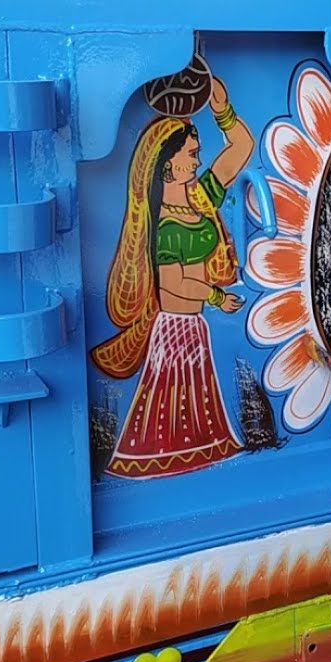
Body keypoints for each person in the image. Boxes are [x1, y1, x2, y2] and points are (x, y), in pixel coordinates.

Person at [91, 72, 255, 480]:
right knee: (169, 405)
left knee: (196, 404)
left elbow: (241, 149)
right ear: (168, 164)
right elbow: (174, 285)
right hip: (175, 327)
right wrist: (217, 298)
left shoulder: (199, 199)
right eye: (192, 154)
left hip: (193, 326)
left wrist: (222, 109)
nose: (198, 160)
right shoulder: (163, 224)